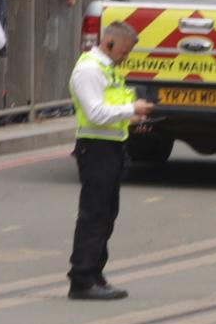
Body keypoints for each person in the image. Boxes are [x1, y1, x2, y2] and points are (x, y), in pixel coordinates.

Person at [66, 19, 155, 301]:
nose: (125, 57)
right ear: (109, 43)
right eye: (124, 51)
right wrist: (131, 108)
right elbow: (95, 113)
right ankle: (81, 278)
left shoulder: (107, 68)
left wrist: (132, 117)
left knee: (106, 214)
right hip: (95, 148)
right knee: (94, 214)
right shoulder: (89, 70)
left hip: (112, 146)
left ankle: (95, 273)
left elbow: (110, 107)